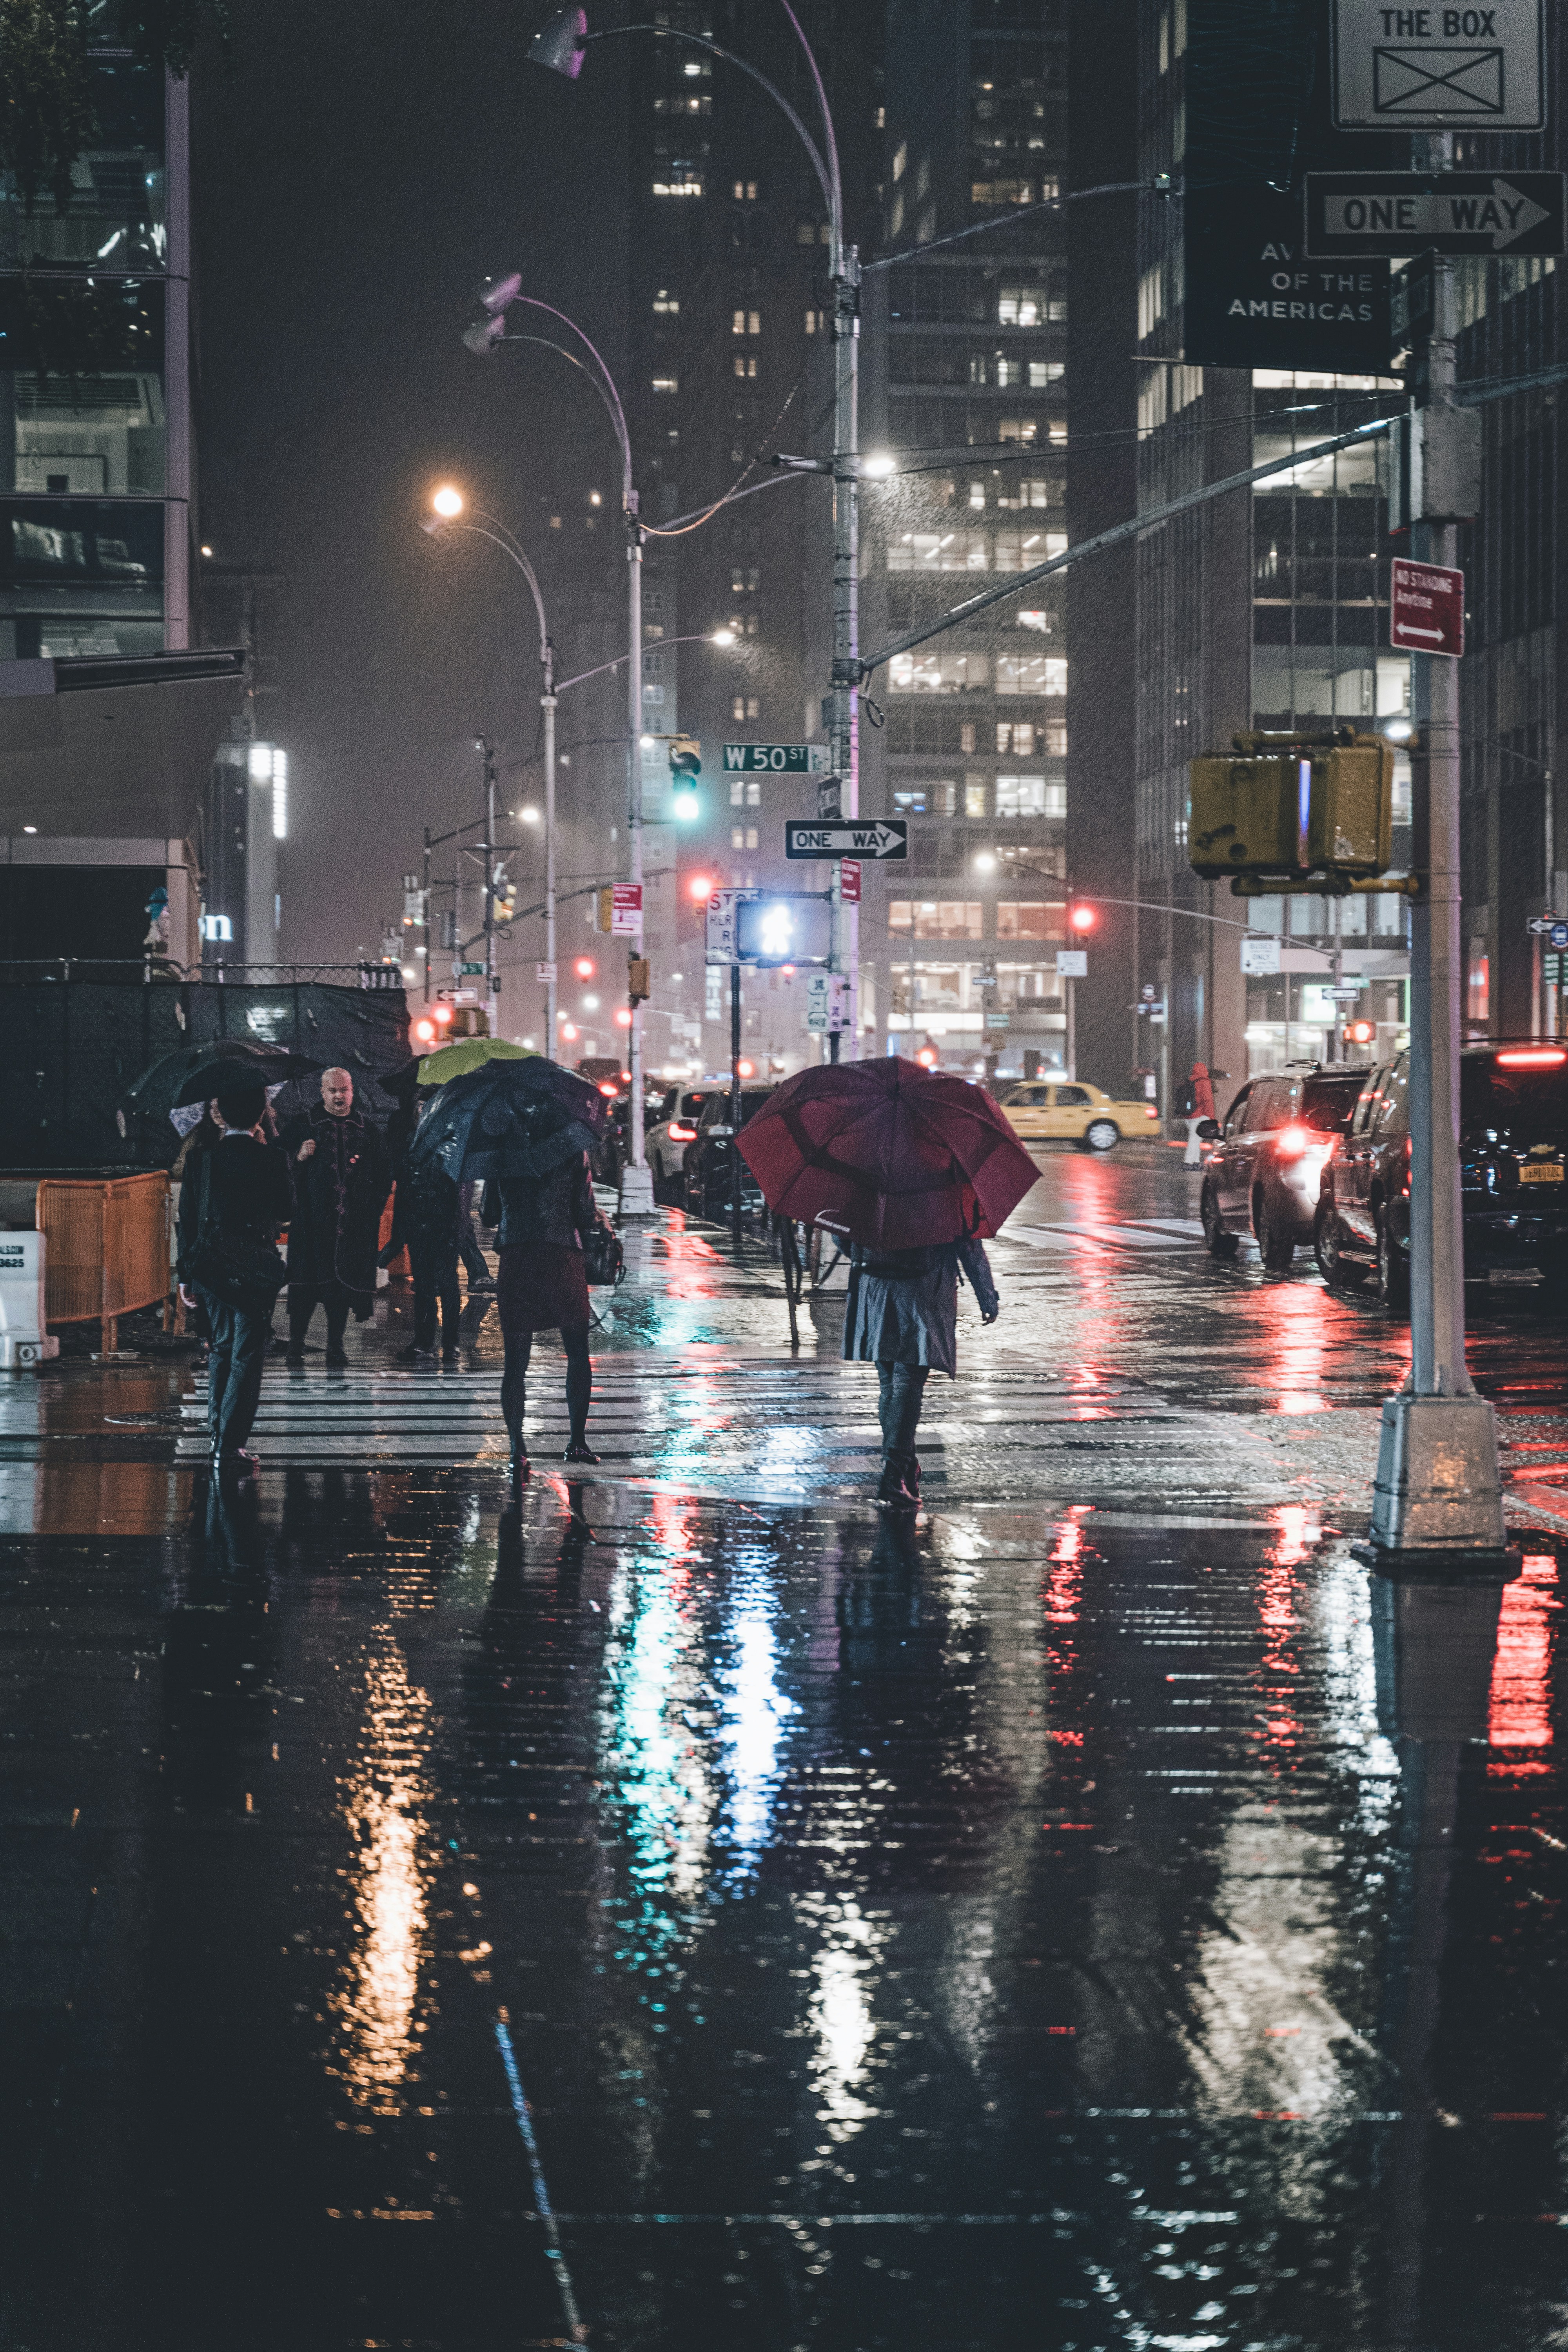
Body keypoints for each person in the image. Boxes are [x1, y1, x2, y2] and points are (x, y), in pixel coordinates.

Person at [176, 1082, 291, 1479]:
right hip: (255, 1266)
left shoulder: (201, 1161)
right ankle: (231, 1443)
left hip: (210, 1266)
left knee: (221, 1350)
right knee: (247, 1355)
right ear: (260, 1114)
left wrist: (185, 1277)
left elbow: (187, 1221)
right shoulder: (272, 1159)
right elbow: (286, 1209)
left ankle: (217, 1436)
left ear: (221, 1113)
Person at [482, 1148, 615, 1490]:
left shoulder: (501, 1147)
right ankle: (577, 1442)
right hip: (562, 1256)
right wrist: (598, 1215)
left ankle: (517, 1448)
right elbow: (585, 1214)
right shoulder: (572, 1148)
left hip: (518, 1255)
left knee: (516, 1362)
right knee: (577, 1352)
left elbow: (488, 1214)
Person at [843, 1227, 1000, 1509]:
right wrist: (986, 1294)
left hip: (876, 1287)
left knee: (891, 1384)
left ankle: (903, 1468)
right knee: (907, 1383)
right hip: (924, 1289)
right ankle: (894, 1475)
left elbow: (841, 1235)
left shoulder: (869, 1186)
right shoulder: (941, 1187)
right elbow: (969, 1244)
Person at [279, 1066, 392, 1366]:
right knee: (305, 1285)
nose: (340, 1096)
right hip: (311, 1224)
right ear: (323, 1093)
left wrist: (372, 1211)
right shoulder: (304, 1125)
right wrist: (298, 1158)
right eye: (333, 1091)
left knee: (339, 1290)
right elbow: (278, 1167)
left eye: (344, 1090)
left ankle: (335, 1346)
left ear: (352, 1091)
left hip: (352, 1227)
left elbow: (383, 1173)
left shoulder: (367, 1128)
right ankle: (296, 1346)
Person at [398, 1158, 464, 1365]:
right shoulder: (419, 1146)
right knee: (426, 1285)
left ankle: (448, 1342)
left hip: (445, 1226)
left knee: (446, 1286)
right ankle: (428, 1341)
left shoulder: (450, 1147)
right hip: (422, 1224)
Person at [1182, 1060, 1218, 1166]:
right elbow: (1207, 1101)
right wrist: (1212, 1117)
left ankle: (1196, 1162)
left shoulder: (1190, 1081)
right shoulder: (1204, 1082)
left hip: (1188, 1115)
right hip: (1199, 1115)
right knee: (1194, 1140)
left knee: (1196, 1139)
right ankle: (1188, 1162)